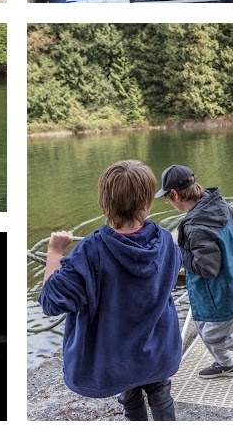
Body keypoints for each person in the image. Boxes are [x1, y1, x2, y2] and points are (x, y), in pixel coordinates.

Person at [40, 160, 181, 420]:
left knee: (130, 396)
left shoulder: (91, 251)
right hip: (159, 350)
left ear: (104, 202)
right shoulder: (165, 241)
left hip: (118, 360)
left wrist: (55, 253)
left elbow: (51, 301)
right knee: (161, 395)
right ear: (146, 204)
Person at [158, 164, 233, 380]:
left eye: (167, 197)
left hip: (226, 289)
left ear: (175, 194)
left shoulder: (196, 226)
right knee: (202, 323)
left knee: (214, 335)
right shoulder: (214, 203)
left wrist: (178, 251)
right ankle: (227, 365)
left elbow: (207, 268)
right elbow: (230, 216)